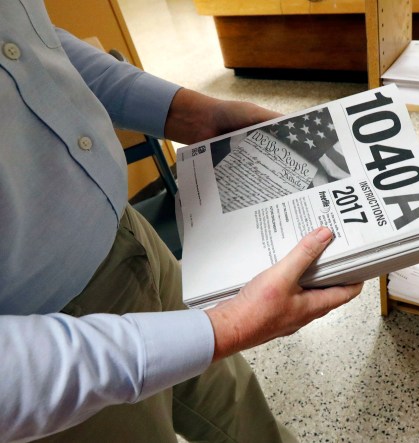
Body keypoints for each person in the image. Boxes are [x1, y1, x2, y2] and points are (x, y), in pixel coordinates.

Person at [0, 1, 363, 442]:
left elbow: (32, 44)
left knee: (238, 406)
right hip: (49, 344)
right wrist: (226, 327)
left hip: (127, 236)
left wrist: (192, 113)